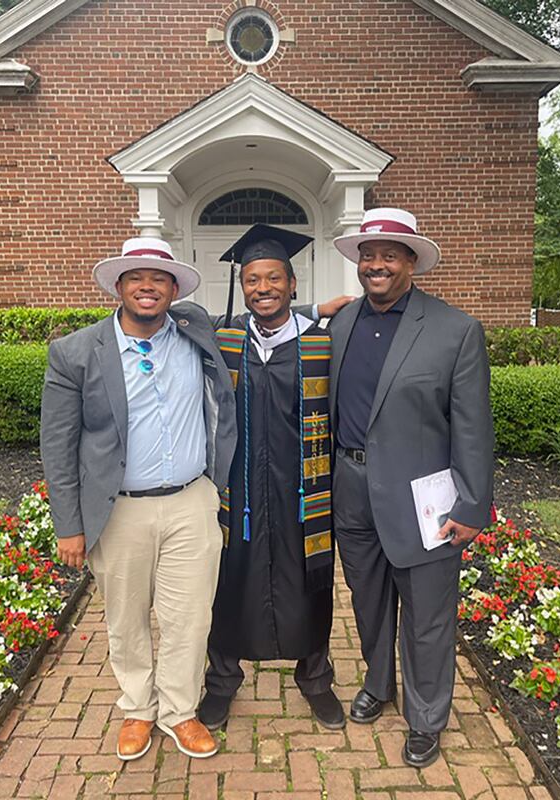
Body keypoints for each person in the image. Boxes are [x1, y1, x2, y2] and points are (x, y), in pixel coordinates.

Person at [40, 237, 237, 761]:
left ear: (174, 289)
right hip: (120, 507)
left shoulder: (196, 331)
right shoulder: (77, 352)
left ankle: (179, 710)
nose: (147, 287)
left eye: (159, 278)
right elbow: (57, 444)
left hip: (192, 502)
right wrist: (69, 525)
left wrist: (316, 309)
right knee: (126, 618)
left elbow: (264, 313)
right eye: (136, 278)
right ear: (119, 286)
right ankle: (137, 708)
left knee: (189, 616)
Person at [327, 208, 494, 767]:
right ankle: (379, 685)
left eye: (389, 255)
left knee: (427, 616)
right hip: (351, 490)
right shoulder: (343, 323)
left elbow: (472, 427)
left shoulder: (455, 330)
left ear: (412, 261)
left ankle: (426, 718)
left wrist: (472, 504)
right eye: (368, 255)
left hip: (424, 500)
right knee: (369, 605)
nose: (376, 264)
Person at [197, 224, 345, 732]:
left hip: (303, 489)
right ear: (243, 287)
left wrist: (319, 314)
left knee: (311, 580)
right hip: (237, 491)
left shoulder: (323, 345)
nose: (263, 288)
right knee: (227, 582)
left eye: (274, 278)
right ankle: (220, 682)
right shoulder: (224, 341)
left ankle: (316, 679)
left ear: (294, 284)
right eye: (253, 280)